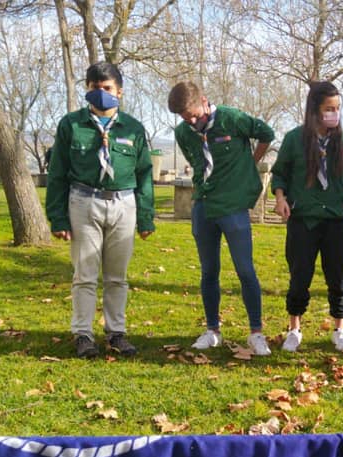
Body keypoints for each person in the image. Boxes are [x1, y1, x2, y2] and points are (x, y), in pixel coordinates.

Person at [45, 61, 155, 359]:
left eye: (106, 88)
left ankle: (116, 332)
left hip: (123, 204)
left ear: (119, 91)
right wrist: (57, 216)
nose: (101, 93)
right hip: (84, 202)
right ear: (87, 89)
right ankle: (83, 334)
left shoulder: (133, 127)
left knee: (117, 276)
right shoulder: (71, 125)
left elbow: (145, 173)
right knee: (85, 274)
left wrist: (145, 216)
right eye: (94, 88)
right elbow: (57, 174)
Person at [167, 81, 276, 356]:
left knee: (245, 270)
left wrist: (251, 161)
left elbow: (267, 133)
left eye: (193, 114)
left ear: (204, 101)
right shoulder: (183, 132)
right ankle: (212, 330)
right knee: (209, 271)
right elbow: (196, 160)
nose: (191, 120)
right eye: (184, 117)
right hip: (204, 205)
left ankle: (256, 332)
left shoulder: (231, 118)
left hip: (233, 206)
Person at [270, 81, 343, 352]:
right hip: (304, 218)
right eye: (328, 108)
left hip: (335, 218)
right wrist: (280, 198)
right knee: (300, 274)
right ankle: (294, 329)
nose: (333, 114)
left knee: (337, 275)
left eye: (337, 108)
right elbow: (280, 174)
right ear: (314, 109)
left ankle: (339, 329)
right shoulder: (293, 139)